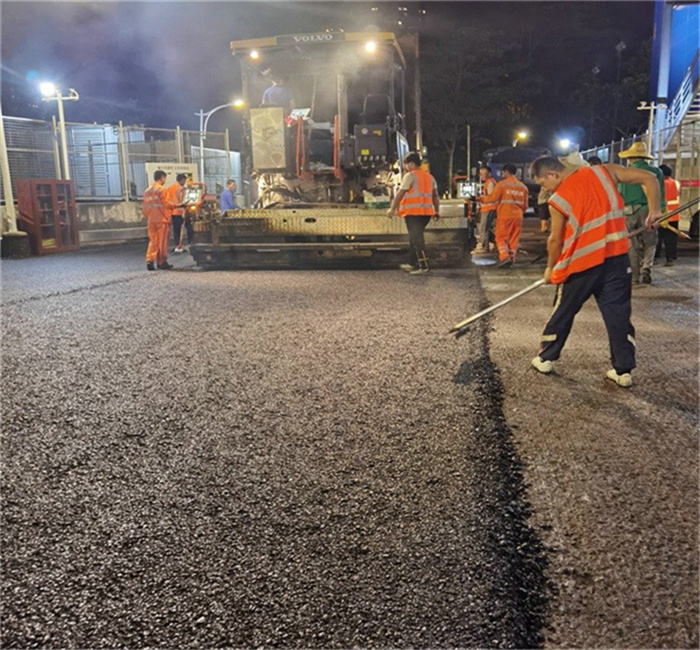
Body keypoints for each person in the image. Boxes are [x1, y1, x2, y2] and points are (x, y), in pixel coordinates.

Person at [529, 156, 662, 387]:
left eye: (543, 183)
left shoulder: (559, 199)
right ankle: (623, 371)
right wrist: (654, 211)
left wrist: (551, 268)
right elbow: (650, 179)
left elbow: (555, 240)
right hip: (617, 259)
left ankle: (545, 357)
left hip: (582, 264)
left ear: (553, 174)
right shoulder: (605, 172)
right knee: (618, 315)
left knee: (564, 310)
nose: (545, 188)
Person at [617, 141, 666, 284]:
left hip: (628, 211)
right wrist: (659, 211)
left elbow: (619, 193)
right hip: (648, 210)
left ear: (631, 158)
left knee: (631, 243)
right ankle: (646, 268)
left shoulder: (625, 172)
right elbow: (660, 194)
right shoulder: (656, 172)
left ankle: (634, 275)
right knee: (650, 240)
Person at [386, 152, 440, 275]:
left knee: (417, 239)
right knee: (414, 238)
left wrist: (392, 209)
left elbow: (400, 193)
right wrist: (436, 211)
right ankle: (412, 263)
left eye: (406, 164)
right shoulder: (430, 177)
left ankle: (424, 266)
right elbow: (435, 196)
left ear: (411, 164)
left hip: (413, 213)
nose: (405, 167)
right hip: (426, 214)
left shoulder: (410, 176)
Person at [478, 162, 528, 268]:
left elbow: (492, 199)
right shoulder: (523, 187)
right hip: (518, 216)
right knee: (514, 238)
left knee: (501, 238)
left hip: (505, 215)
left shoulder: (502, 184)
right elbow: (525, 206)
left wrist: (479, 198)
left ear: (506, 172)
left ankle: (504, 257)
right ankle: (512, 258)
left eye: (503, 173)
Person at [142, 170, 173, 271]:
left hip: (151, 220)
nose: (165, 180)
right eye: (165, 178)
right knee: (162, 242)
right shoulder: (162, 190)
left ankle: (150, 260)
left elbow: (145, 208)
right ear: (162, 178)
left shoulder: (147, 191)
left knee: (153, 241)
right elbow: (167, 204)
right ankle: (161, 262)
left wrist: (149, 217)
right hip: (162, 219)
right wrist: (178, 205)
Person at [655, 164, 681, 266]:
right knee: (671, 238)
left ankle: (655, 258)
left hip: (661, 215)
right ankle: (670, 259)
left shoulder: (659, 184)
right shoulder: (677, 183)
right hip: (674, 215)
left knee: (657, 238)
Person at [474, 165, 497, 252]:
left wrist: (479, 198)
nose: (481, 176)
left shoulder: (490, 183)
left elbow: (491, 197)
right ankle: (497, 242)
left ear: (489, 173)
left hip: (489, 208)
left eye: (483, 174)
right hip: (487, 208)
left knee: (484, 228)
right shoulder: (489, 182)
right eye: (481, 174)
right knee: (485, 228)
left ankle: (485, 247)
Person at [167, 173, 188, 254]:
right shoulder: (181, 189)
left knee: (176, 230)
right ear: (182, 180)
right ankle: (180, 245)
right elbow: (183, 200)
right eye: (184, 180)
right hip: (179, 211)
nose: (185, 182)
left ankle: (176, 245)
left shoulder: (170, 188)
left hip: (172, 211)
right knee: (181, 230)